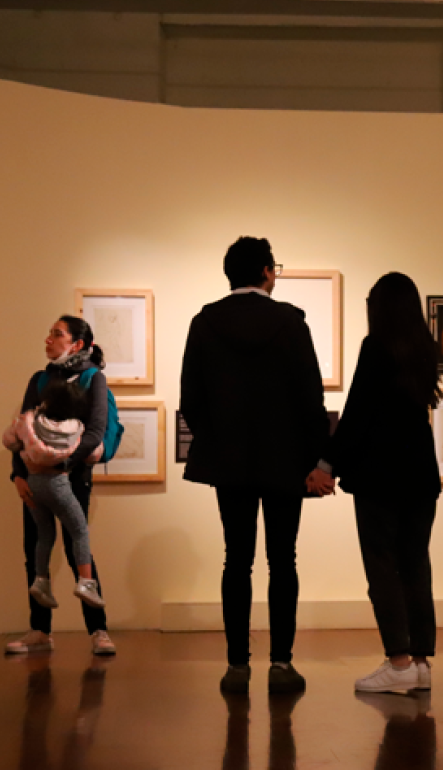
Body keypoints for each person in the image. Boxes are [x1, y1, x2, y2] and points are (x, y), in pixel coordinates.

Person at [180, 236, 332, 694]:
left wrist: (219, 440)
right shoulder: (291, 322)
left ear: (230, 274)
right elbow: (311, 398)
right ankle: (282, 664)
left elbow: (192, 398)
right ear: (268, 272)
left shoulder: (205, 323)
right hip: (286, 461)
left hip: (230, 462)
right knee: (283, 560)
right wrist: (317, 458)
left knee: (236, 560)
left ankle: (237, 666)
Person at [322, 272, 442, 693]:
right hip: (421, 475)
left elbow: (357, 415)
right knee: (415, 563)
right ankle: (421, 662)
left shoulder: (376, 347)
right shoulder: (424, 349)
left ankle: (398, 661)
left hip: (381, 476)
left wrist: (327, 463)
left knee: (382, 566)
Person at [5, 316, 117, 657]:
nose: (48, 339)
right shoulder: (39, 380)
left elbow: (97, 433)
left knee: (76, 548)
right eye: (50, 332)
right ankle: (39, 630)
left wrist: (58, 463)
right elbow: (21, 431)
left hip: (73, 478)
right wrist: (18, 474)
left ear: (77, 344)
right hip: (34, 477)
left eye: (57, 334)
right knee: (34, 547)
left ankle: (98, 630)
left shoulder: (93, 379)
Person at [1, 378, 105, 611]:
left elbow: (9, 440)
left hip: (32, 485)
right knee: (79, 531)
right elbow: (93, 453)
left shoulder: (30, 421)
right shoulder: (76, 428)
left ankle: (41, 580)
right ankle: (86, 583)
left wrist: (23, 449)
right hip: (58, 484)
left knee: (44, 534)